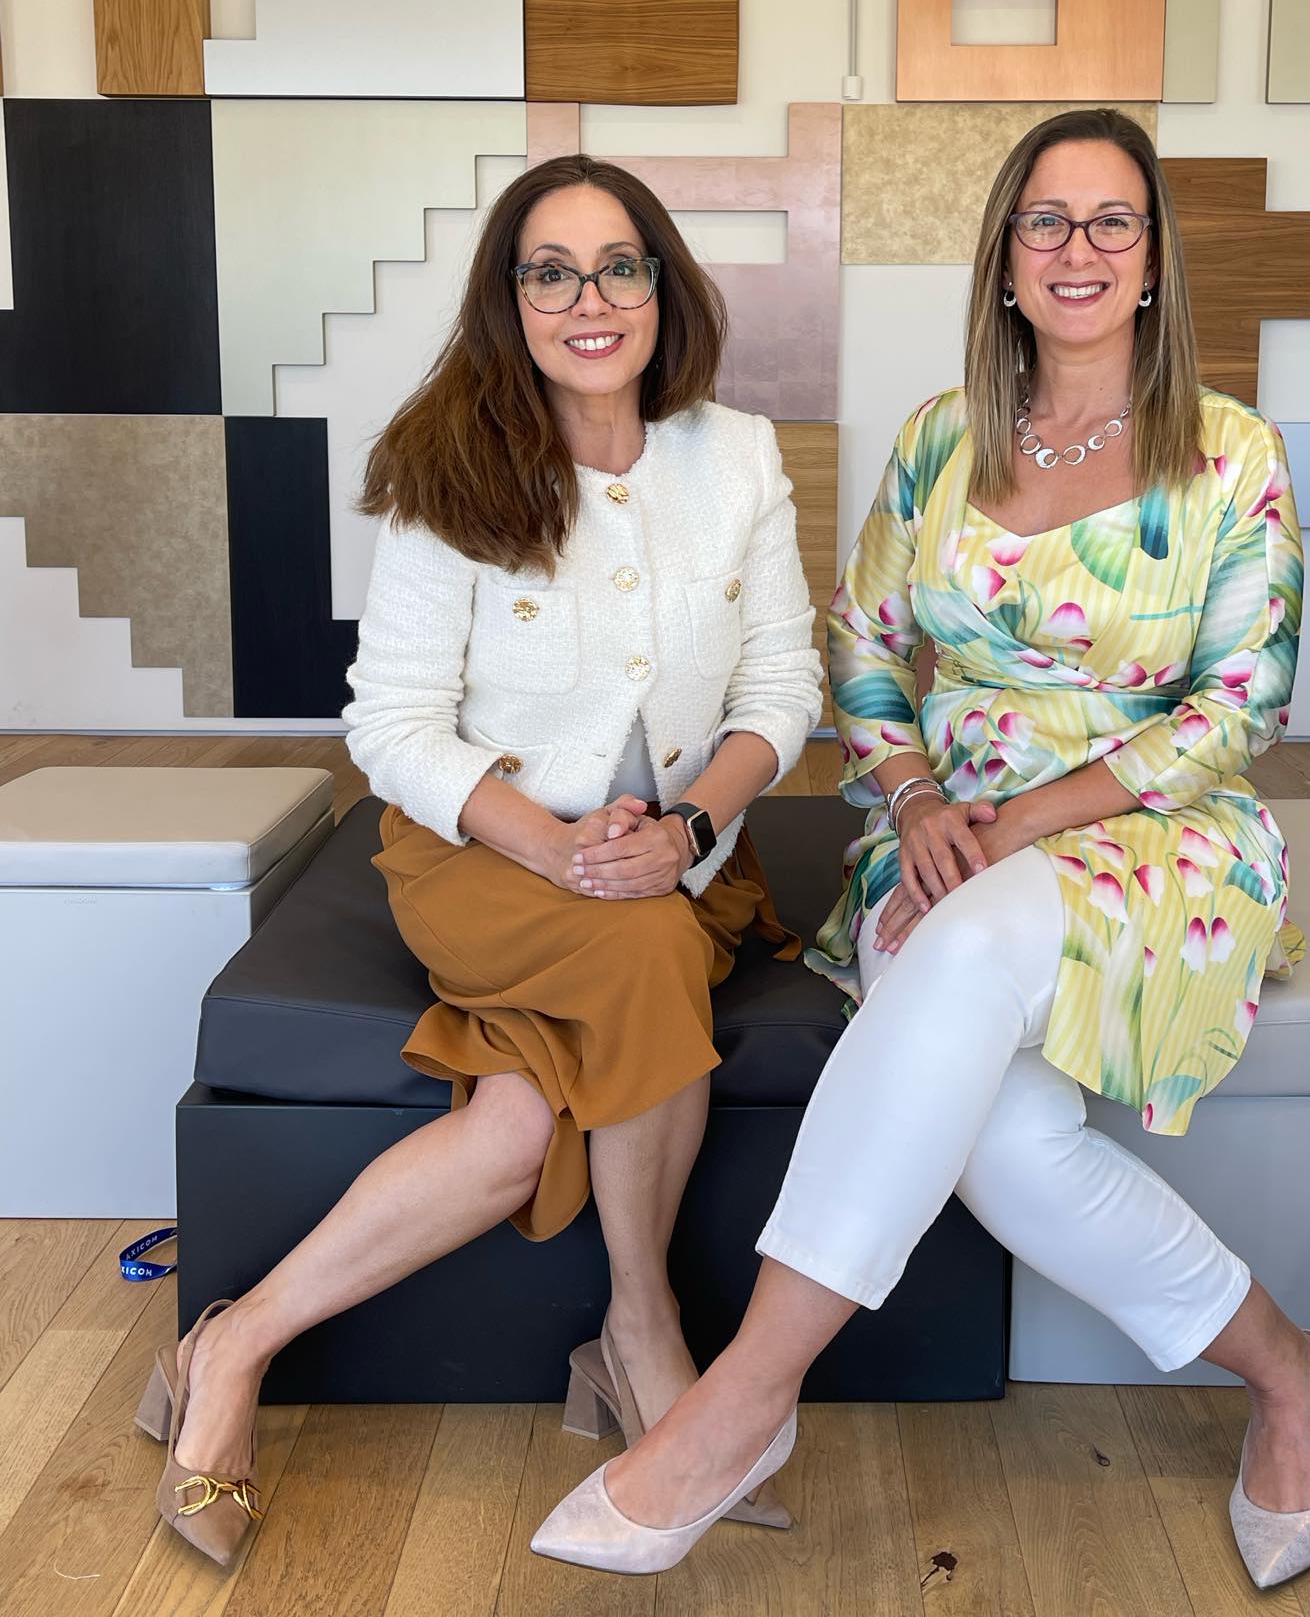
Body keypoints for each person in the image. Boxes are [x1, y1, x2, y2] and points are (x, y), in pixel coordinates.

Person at [531, 108, 1310, 1594]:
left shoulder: (1233, 455)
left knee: (962, 950)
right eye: (1047, 222)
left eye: (1112, 221)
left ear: (1155, 259)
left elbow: (1243, 705)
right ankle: (1292, 1371)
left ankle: (740, 1402)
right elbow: (860, 646)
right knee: (1006, 1144)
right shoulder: (939, 440)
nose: (1079, 249)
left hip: (1151, 841)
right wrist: (911, 800)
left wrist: (1014, 822)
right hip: (940, 838)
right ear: (1008, 260)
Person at [134, 153, 823, 1565]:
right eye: (549, 273)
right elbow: (389, 727)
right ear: (508, 301)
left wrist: (688, 827)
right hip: (488, 857)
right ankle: (642, 1331)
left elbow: (782, 689)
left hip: (680, 854)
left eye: (618, 266)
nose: (589, 300)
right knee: (640, 945)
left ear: (663, 287)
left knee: (513, 1128)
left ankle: (232, 1343)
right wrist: (561, 849)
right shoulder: (445, 467)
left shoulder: (739, 457)